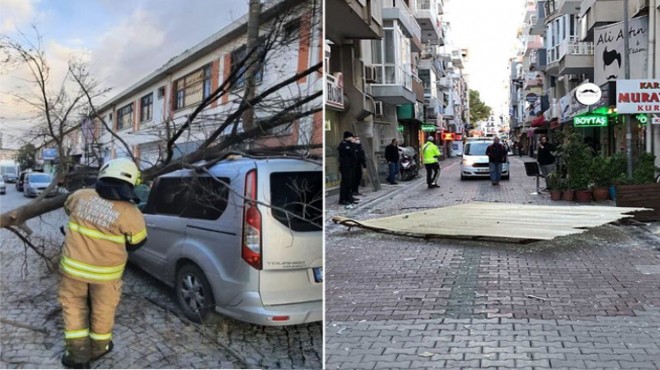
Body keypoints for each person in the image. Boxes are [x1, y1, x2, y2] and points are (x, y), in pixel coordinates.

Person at [58, 158, 148, 368]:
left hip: (73, 270)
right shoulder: (132, 212)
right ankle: (99, 349)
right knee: (103, 309)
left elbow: (68, 212)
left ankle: (77, 356)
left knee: (73, 307)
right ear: (132, 182)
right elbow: (137, 243)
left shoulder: (80, 196)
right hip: (107, 275)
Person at [338, 131, 358, 205]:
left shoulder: (350, 144)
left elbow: (354, 151)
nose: (352, 138)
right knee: (345, 183)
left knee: (350, 183)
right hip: (345, 167)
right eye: (351, 137)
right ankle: (342, 199)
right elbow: (347, 154)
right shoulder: (343, 144)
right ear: (348, 137)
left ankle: (349, 198)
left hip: (351, 166)